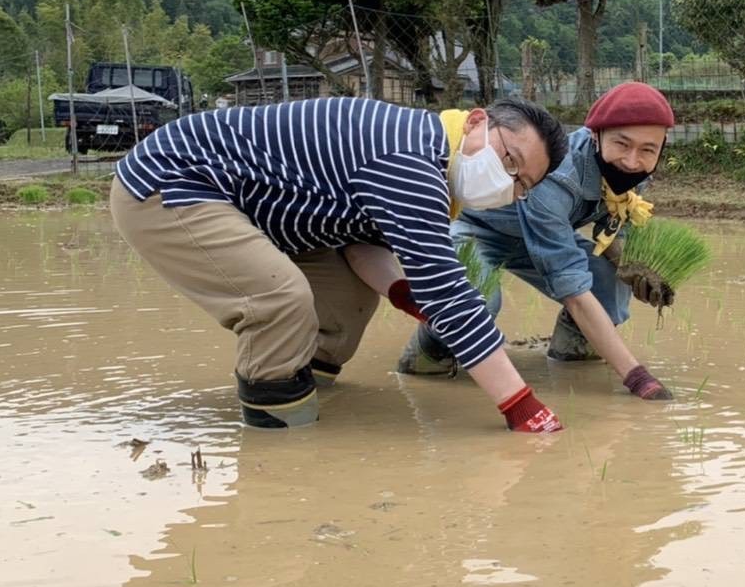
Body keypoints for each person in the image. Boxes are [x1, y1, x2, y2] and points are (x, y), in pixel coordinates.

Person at [109, 95, 568, 433]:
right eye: (509, 159)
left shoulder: (433, 160)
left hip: (268, 210)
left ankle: (303, 378)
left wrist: (402, 294)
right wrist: (521, 405)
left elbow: (358, 245)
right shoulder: (411, 157)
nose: (507, 182)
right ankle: (277, 425)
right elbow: (449, 294)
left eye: (520, 183)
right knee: (277, 300)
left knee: (347, 296)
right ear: (475, 123)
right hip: (172, 180)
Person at [391, 81, 679, 401]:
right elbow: (571, 288)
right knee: (475, 298)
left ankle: (572, 352)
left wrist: (631, 265)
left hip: (547, 233)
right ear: (596, 136)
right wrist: (636, 377)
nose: (632, 160)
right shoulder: (558, 178)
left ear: (661, 147)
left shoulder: (637, 171)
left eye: (647, 150)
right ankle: (428, 355)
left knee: (610, 285)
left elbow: (613, 225)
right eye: (622, 144)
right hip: (481, 230)